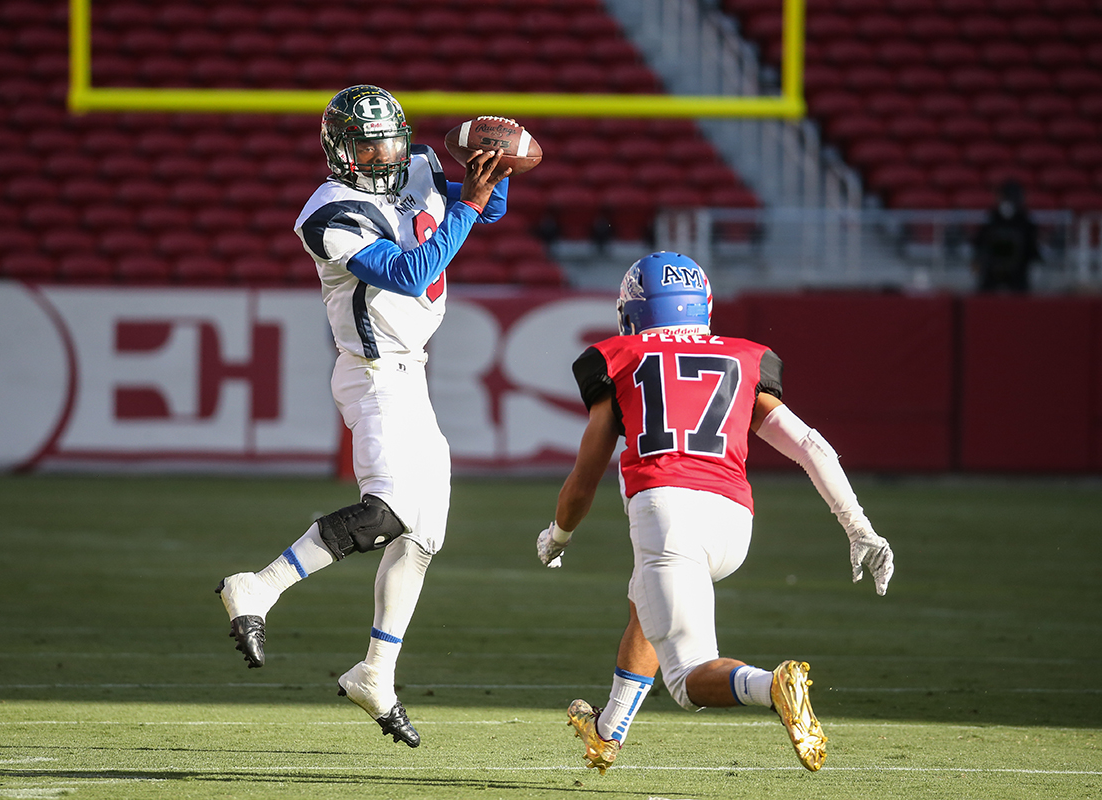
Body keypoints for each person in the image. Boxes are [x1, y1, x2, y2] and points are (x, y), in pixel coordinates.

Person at [216, 85, 510, 748]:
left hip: (414, 376)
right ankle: (256, 588)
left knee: (423, 537)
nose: (382, 153)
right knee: (388, 512)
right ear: (338, 151)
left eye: (388, 139)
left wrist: (496, 166)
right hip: (373, 376)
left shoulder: (426, 163)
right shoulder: (325, 213)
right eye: (366, 143)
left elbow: (487, 214)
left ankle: (376, 673)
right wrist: (472, 202)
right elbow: (412, 271)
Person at [536, 251, 895, 773]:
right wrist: (859, 527)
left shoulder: (620, 358)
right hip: (732, 521)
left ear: (635, 312)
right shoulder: (743, 357)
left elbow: (584, 478)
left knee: (688, 680)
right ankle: (609, 730)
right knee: (647, 601)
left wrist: (558, 535)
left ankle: (771, 686)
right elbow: (810, 446)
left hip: (668, 513)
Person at [971, 179, 1041, 293]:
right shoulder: (992, 217)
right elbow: (980, 241)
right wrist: (977, 260)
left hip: (1018, 271)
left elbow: (1031, 247)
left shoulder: (1025, 220)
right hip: (992, 271)